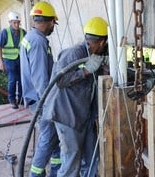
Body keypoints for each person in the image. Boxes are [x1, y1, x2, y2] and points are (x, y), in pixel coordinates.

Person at [42, 17, 108, 177]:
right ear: (101, 43)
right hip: (67, 116)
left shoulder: (93, 55)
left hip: (83, 116)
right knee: (71, 161)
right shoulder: (74, 53)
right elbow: (60, 80)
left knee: (92, 157)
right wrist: (85, 71)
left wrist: (102, 70)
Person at [20, 1, 61, 177]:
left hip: (34, 98)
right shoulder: (38, 42)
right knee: (48, 138)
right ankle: (35, 174)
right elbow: (40, 79)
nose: (53, 27)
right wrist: (48, 104)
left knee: (54, 141)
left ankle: (57, 172)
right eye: (53, 23)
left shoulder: (30, 37)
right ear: (49, 21)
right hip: (41, 100)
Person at [0, 11, 26, 109]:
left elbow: (26, 46)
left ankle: (21, 99)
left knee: (22, 80)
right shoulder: (5, 32)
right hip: (8, 60)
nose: (17, 24)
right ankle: (12, 100)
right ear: (10, 22)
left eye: (18, 22)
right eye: (14, 22)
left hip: (20, 59)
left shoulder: (23, 32)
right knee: (12, 79)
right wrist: (1, 62)